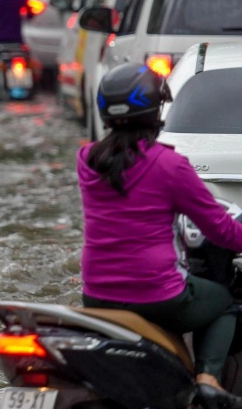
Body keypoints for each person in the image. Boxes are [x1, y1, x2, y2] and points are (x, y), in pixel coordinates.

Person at [79, 63, 242, 397]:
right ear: (157, 110)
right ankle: (208, 380)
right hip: (157, 294)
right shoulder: (170, 165)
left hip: (95, 293)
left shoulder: (87, 160)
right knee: (225, 301)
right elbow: (222, 231)